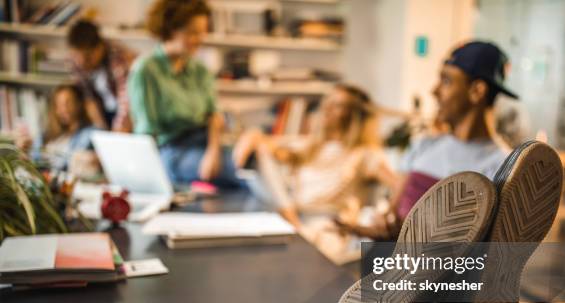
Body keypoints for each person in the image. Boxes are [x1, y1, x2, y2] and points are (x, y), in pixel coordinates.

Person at [337, 41, 515, 240]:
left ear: (477, 91)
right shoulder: (423, 146)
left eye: (446, 81)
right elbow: (392, 219)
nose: (434, 91)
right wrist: (363, 229)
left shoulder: (501, 167)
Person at [233, 84, 399, 227]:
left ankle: (292, 222)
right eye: (328, 102)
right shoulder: (311, 145)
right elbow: (265, 145)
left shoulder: (365, 153)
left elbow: (398, 186)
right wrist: (252, 134)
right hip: (294, 213)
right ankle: (291, 219)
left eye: (337, 105)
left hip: (326, 221)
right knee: (261, 153)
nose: (327, 108)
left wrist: (385, 214)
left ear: (353, 115)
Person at [128, 0, 236, 186]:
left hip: (205, 143)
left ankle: (285, 213)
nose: (200, 39)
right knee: (242, 168)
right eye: (193, 32)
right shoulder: (146, 70)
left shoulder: (199, 70)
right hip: (172, 150)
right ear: (171, 29)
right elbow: (146, 134)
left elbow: (214, 116)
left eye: (202, 32)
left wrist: (213, 152)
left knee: (253, 157)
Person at [16, 84, 99, 176]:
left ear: (79, 104)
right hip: (39, 178)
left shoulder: (88, 133)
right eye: (58, 105)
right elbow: (33, 160)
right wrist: (25, 153)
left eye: (68, 103)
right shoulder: (47, 134)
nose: (63, 109)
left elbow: (67, 163)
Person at [67, 20, 135, 132]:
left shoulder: (118, 58)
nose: (81, 63)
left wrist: (117, 133)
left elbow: (126, 101)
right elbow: (88, 99)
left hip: (127, 111)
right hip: (104, 111)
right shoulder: (77, 61)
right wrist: (101, 129)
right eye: (76, 57)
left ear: (99, 47)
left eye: (87, 58)